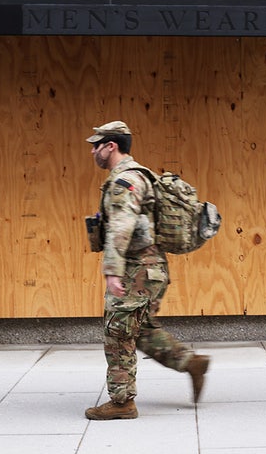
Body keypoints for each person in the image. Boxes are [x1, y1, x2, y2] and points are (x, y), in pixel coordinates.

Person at [84, 120, 210, 420]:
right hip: (152, 267)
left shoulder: (125, 181)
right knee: (138, 331)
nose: (92, 151)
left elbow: (121, 225)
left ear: (110, 146)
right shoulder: (143, 176)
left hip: (135, 269)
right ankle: (190, 362)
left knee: (118, 334)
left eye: (96, 145)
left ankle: (122, 402)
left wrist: (112, 271)